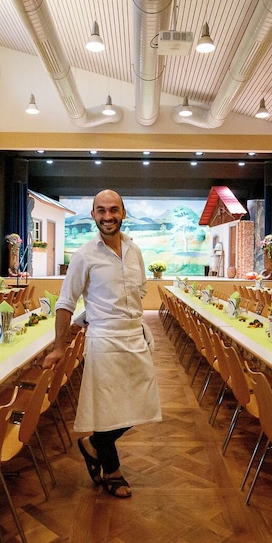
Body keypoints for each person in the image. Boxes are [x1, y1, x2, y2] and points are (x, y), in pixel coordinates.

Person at [42, 189, 161, 498]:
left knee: (144, 403)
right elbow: (65, 303)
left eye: (113, 210)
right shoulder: (84, 255)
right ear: (93, 215)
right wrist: (59, 347)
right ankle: (112, 470)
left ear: (123, 213)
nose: (108, 216)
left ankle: (93, 443)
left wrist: (99, 315)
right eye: (102, 210)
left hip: (134, 336)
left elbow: (138, 291)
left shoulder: (134, 250)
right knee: (107, 409)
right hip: (104, 340)